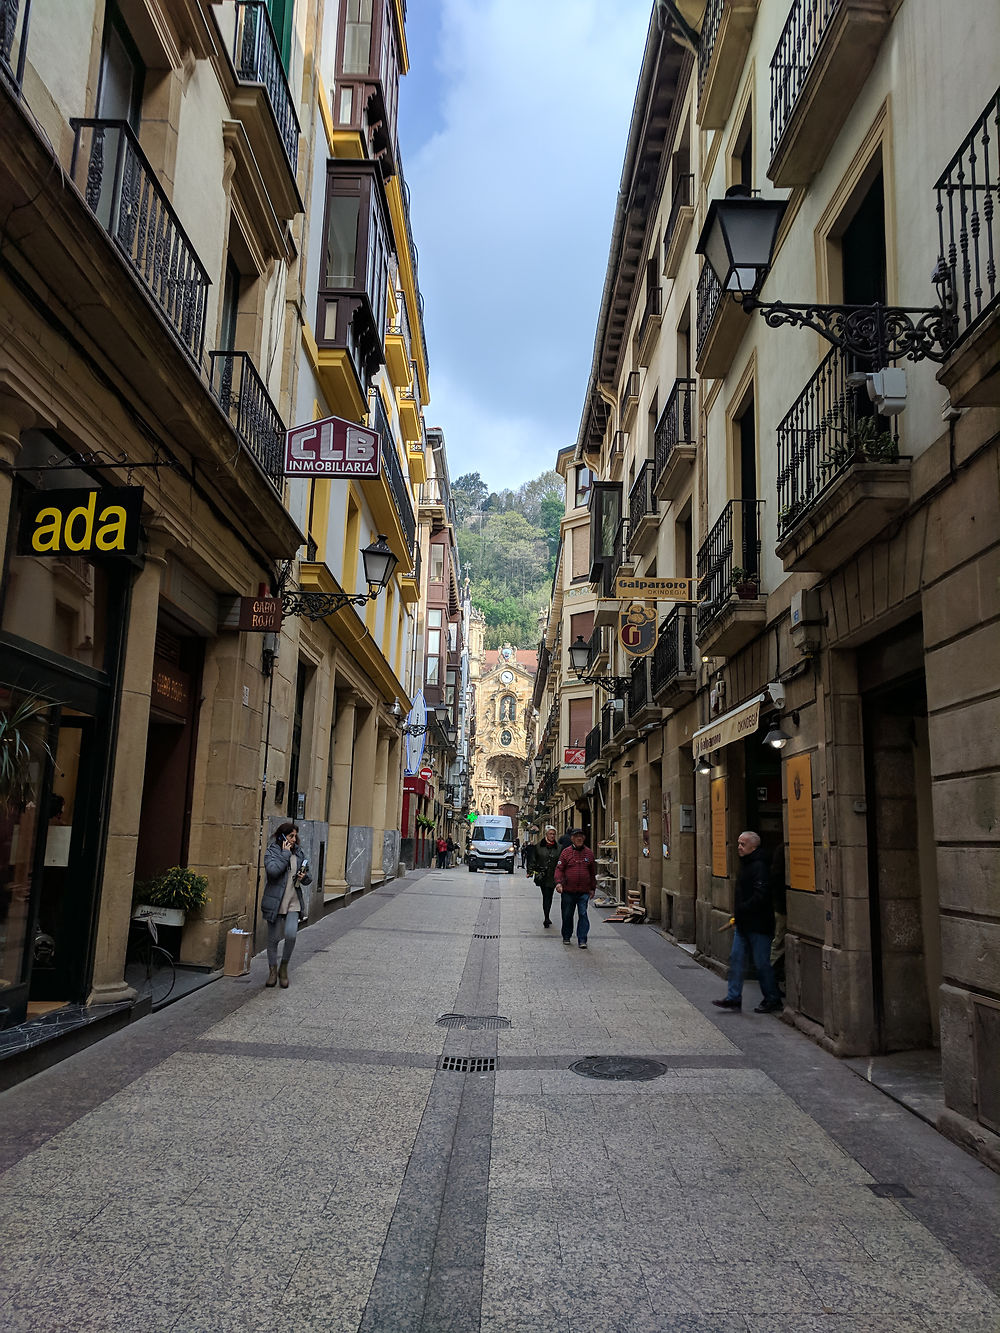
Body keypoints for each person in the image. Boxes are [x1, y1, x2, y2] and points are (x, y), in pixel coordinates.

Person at [712, 830, 783, 1013]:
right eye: (738, 843)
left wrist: (742, 909)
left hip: (758, 925)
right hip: (743, 924)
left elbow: (761, 895)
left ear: (754, 846)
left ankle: (772, 998)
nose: (739, 847)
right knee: (736, 959)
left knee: (761, 963)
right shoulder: (747, 864)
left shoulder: (759, 865)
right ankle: (733, 997)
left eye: (743, 844)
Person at [261, 821, 312, 989]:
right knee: (273, 939)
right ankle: (272, 972)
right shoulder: (272, 852)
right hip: (276, 901)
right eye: (291, 836)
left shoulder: (299, 853)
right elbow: (273, 872)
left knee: (291, 935)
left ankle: (283, 967)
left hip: (293, 901)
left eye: (295, 836)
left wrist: (303, 877)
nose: (294, 839)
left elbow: (308, 878)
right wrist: (284, 853)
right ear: (282, 836)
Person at [555, 827, 596, 948]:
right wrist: (558, 883)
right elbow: (559, 869)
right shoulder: (566, 852)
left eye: (581, 836)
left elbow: (592, 872)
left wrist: (592, 888)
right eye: (576, 836)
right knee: (567, 914)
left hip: (583, 891)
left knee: (583, 914)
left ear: (584, 838)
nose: (579, 838)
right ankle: (566, 935)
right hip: (568, 890)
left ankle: (582, 939)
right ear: (572, 838)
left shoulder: (589, 853)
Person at [532, 825, 560, 929]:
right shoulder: (539, 846)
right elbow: (534, 860)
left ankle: (547, 916)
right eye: (550, 834)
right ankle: (546, 917)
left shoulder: (559, 847)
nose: (552, 836)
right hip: (542, 876)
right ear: (546, 835)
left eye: (554, 834)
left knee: (549, 896)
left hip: (553, 876)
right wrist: (531, 871)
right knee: (546, 896)